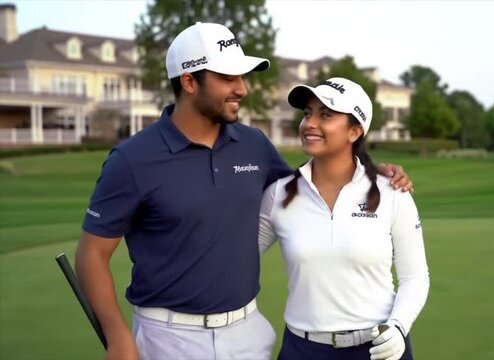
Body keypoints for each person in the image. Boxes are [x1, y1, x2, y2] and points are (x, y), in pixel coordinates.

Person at [75, 22, 413, 360]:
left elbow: (307, 187)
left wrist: (368, 172)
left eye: (242, 77)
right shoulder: (132, 159)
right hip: (169, 337)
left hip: (247, 333)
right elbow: (92, 254)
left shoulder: (254, 145)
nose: (243, 88)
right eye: (228, 77)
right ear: (190, 81)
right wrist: (118, 337)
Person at [258, 77, 430, 360]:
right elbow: (238, 261)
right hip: (303, 349)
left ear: (354, 131)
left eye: (325, 114)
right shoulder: (279, 194)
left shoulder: (393, 192)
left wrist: (399, 327)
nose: (310, 123)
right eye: (307, 113)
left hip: (380, 348)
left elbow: (415, 277)